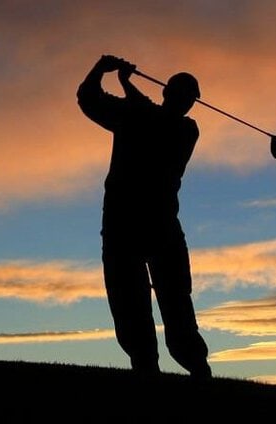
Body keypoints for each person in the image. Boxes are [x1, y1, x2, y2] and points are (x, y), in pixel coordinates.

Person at [76, 54, 212, 379]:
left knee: (172, 301)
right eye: (185, 97)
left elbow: (150, 119)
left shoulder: (185, 130)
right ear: (169, 94)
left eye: (190, 99)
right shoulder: (135, 114)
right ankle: (149, 370)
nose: (187, 104)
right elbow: (89, 99)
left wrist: (119, 79)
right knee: (131, 301)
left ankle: (193, 370)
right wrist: (104, 72)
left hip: (149, 226)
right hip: (132, 226)